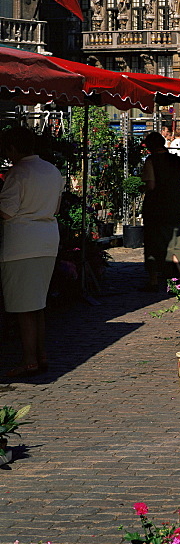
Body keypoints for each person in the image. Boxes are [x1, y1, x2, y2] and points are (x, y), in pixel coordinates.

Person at [0, 126, 64, 378]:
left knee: (24, 307)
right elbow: (56, 206)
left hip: (22, 243)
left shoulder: (18, 173)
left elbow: (7, 211)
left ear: (13, 149)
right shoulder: (51, 170)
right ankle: (40, 354)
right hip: (47, 240)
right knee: (37, 303)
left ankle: (29, 360)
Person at [139, 131, 180, 293]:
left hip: (156, 207)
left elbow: (150, 185)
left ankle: (153, 280)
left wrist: (141, 187)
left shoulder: (151, 161)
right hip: (175, 205)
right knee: (174, 242)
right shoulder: (176, 159)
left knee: (153, 243)